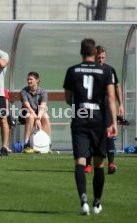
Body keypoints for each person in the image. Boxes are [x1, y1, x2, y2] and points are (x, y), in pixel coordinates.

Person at [63, 39, 117, 215]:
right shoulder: (105, 71)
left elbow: (68, 98)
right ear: (95, 53)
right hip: (98, 119)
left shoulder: (72, 71)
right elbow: (110, 97)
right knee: (99, 163)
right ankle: (97, 203)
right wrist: (113, 122)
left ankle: (83, 200)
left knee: (80, 160)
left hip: (80, 116)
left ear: (81, 52)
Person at [85, 45, 124, 174]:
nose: (101, 60)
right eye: (98, 57)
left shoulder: (110, 70)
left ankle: (111, 164)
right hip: (92, 108)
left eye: (103, 57)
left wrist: (121, 104)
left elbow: (117, 87)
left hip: (107, 109)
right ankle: (88, 165)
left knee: (109, 135)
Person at [18, 71, 51, 153]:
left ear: (37, 81)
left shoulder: (43, 92)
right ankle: (26, 145)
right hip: (25, 114)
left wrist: (38, 118)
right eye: (28, 79)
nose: (28, 81)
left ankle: (48, 144)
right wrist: (37, 118)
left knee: (46, 117)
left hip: (37, 115)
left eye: (31, 79)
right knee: (30, 116)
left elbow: (42, 107)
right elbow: (27, 107)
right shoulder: (24, 91)